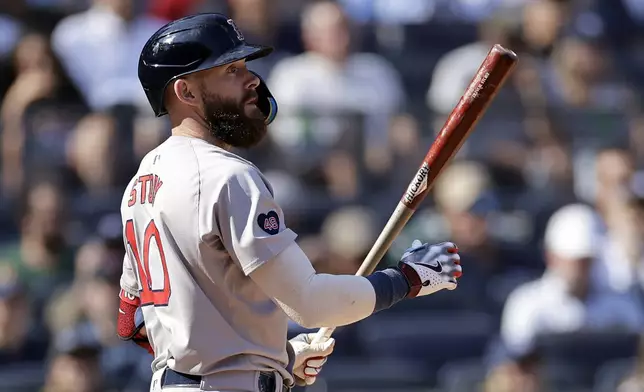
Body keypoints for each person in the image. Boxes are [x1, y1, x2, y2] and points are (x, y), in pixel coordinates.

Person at [116, 13, 463, 392]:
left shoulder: (143, 179)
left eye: (245, 66)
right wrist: (408, 279)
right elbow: (309, 303)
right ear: (186, 92)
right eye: (230, 70)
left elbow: (131, 321)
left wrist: (272, 358)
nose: (252, 80)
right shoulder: (227, 176)